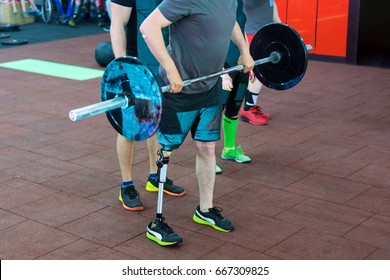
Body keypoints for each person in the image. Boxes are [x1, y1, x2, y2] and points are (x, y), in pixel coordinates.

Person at [140, 0, 254, 245]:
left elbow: (230, 21)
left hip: (209, 86)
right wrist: (170, 69)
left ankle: (205, 209)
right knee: (166, 152)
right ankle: (157, 222)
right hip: (178, 90)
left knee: (207, 147)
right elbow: (148, 28)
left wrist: (244, 50)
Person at [110, 0, 186, 212]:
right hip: (136, 66)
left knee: (157, 121)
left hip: (164, 63)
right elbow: (117, 24)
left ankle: (155, 177)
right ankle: (126, 185)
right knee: (130, 127)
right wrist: (123, 67)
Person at [217, 0, 251, 174]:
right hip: (220, 63)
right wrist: (221, 72)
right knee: (215, 110)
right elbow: (209, 35)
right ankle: (206, 157)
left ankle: (229, 149)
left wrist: (247, 55)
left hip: (238, 62)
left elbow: (241, 28)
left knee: (234, 107)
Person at [240, 0, 281, 125]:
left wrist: (281, 29)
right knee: (257, 74)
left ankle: (250, 107)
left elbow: (273, 11)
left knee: (262, 72)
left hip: (266, 34)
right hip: (253, 35)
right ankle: (248, 109)